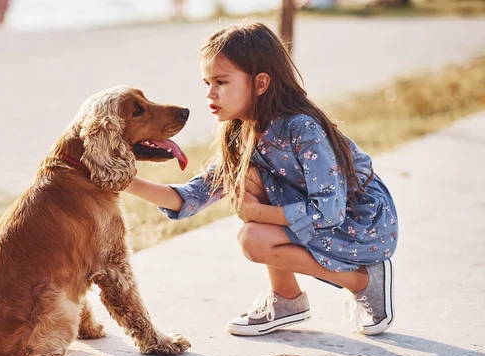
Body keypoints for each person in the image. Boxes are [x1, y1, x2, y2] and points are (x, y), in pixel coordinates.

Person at [124, 22, 398, 336]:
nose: (210, 93)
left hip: (364, 224)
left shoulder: (302, 128)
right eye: (207, 83)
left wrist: (258, 213)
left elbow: (329, 211)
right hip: (325, 221)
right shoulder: (241, 134)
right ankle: (287, 300)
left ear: (261, 83)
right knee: (251, 211)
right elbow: (192, 197)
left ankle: (363, 280)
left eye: (221, 82)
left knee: (252, 231)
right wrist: (126, 182)